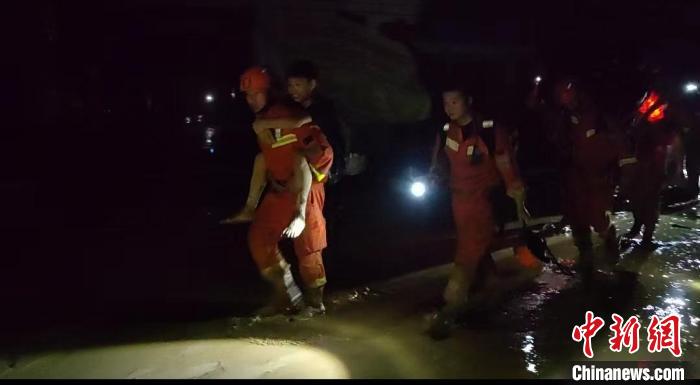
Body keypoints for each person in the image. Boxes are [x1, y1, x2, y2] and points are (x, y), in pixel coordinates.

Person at [426, 86, 530, 339]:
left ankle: (450, 304)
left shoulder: (488, 129)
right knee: (474, 245)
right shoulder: (445, 130)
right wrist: (433, 176)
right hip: (458, 200)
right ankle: (492, 289)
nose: (449, 107)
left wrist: (513, 186)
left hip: (483, 200)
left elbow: (505, 161)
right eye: (445, 103)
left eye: (454, 101)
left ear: (468, 101)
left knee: (467, 251)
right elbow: (438, 162)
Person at [233, 66, 334, 317]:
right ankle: (286, 296)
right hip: (280, 187)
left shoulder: (284, 117)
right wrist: (250, 206)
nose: (251, 100)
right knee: (260, 237)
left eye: (256, 94)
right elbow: (264, 159)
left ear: (269, 92)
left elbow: (307, 161)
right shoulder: (264, 122)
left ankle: (314, 304)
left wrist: (300, 211)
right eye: (248, 95)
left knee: (309, 247)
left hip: (306, 187)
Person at [547, 78, 621, 280]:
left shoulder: (596, 114)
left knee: (597, 215)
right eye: (560, 94)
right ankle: (585, 253)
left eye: (567, 92)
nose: (564, 97)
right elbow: (558, 143)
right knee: (576, 215)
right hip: (574, 175)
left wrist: (612, 166)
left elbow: (614, 141)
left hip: (597, 174)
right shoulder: (561, 117)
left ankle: (609, 238)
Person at [621, 90, 684, 249]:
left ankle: (647, 237)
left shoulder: (665, 120)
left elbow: (671, 142)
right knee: (636, 199)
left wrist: (672, 169)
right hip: (640, 166)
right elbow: (634, 131)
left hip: (655, 168)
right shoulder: (642, 119)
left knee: (651, 202)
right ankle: (636, 226)